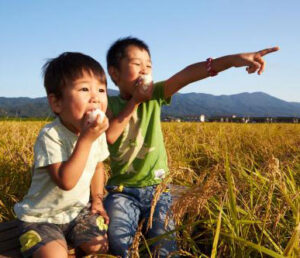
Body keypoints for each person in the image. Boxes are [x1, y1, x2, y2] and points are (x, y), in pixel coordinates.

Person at [103, 37, 279, 257]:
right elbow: (109, 137)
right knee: (118, 245)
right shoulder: (107, 104)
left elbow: (188, 74)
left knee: (165, 248)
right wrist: (135, 102)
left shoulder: (157, 94)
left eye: (148, 65)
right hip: (122, 191)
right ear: (115, 74)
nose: (144, 70)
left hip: (158, 189)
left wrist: (234, 60)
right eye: (137, 65)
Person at [14, 52, 110, 258]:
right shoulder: (51, 135)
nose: (95, 96)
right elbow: (66, 181)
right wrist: (86, 139)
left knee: (98, 247)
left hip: (77, 212)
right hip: (42, 217)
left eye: (101, 90)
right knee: (55, 256)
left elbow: (98, 167)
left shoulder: (96, 132)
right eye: (84, 89)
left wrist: (98, 200)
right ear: (57, 103)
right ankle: (31, 237)